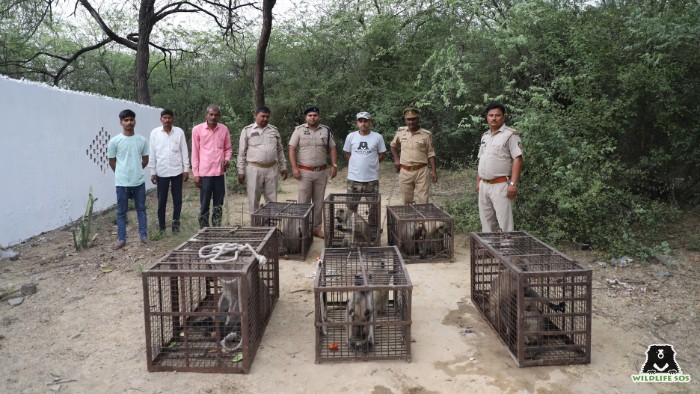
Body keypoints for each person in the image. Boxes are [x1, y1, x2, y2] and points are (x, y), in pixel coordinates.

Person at [289, 106, 338, 238]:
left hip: (321, 172)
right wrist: (294, 168)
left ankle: (316, 228)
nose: (312, 117)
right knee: (303, 201)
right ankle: (302, 229)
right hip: (304, 172)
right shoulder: (299, 131)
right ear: (306, 117)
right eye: (310, 115)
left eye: (315, 115)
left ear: (319, 117)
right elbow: (292, 149)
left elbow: (332, 149)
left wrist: (334, 165)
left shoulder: (326, 131)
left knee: (319, 202)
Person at [475, 102, 523, 232]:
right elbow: (482, 159)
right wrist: (478, 180)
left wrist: (513, 183)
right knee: (486, 222)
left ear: (503, 117)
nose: (494, 118)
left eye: (497, 115)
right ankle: (488, 250)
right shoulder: (485, 136)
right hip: (484, 185)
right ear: (487, 117)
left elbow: (518, 159)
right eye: (491, 115)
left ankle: (506, 251)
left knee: (505, 223)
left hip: (501, 185)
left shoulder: (510, 135)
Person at [107, 109, 149, 249]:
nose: (129, 122)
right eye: (126, 120)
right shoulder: (115, 141)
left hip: (139, 181)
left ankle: (143, 236)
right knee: (121, 212)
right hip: (122, 182)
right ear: (121, 122)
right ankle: (121, 239)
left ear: (135, 121)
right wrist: (121, 172)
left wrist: (136, 170)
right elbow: (112, 161)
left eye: (131, 119)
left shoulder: (141, 140)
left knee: (141, 209)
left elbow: (145, 159)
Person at [237, 106, 288, 220]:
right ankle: (255, 229)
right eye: (262, 116)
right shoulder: (247, 130)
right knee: (254, 199)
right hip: (254, 169)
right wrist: (240, 170)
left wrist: (283, 166)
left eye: (267, 117)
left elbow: (280, 150)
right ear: (256, 116)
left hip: (271, 169)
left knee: (272, 200)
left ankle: (271, 229)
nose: (265, 119)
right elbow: (241, 152)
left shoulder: (273, 130)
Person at [148, 109, 190, 233]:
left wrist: (186, 169)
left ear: (173, 119)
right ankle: (161, 228)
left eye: (169, 118)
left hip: (177, 171)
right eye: (164, 118)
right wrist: (153, 172)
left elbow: (184, 151)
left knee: (177, 200)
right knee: (162, 201)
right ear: (161, 119)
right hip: (161, 172)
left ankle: (175, 227)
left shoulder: (179, 132)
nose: (167, 120)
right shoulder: (155, 133)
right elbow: (152, 153)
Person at [191, 104, 232, 228]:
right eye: (211, 114)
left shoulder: (224, 129)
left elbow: (228, 149)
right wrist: (196, 174)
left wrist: (227, 159)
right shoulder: (197, 130)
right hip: (205, 173)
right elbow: (195, 152)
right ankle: (204, 228)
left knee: (218, 203)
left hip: (220, 173)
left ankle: (216, 227)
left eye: (216, 115)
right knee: (204, 203)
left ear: (219, 116)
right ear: (206, 115)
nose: (213, 117)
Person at [343, 111, 386, 222]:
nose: (363, 123)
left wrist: (372, 163)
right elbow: (348, 153)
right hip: (353, 179)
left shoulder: (378, 137)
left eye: (366, 121)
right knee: (351, 206)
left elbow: (382, 154)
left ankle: (372, 230)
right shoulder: (351, 136)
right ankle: (353, 228)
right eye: (360, 121)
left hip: (371, 179)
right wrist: (356, 163)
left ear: (370, 122)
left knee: (373, 208)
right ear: (357, 123)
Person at [390, 107, 438, 204]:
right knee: (407, 200)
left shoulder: (426, 134)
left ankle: (422, 219)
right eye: (409, 119)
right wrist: (396, 160)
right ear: (405, 119)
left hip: (422, 171)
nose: (411, 122)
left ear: (418, 119)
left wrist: (434, 171)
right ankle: (410, 219)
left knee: (423, 200)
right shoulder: (400, 132)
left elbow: (431, 153)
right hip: (405, 171)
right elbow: (393, 145)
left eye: (413, 119)